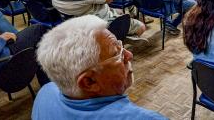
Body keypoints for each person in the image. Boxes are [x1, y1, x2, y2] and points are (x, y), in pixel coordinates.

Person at [32, 15, 167, 120]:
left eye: (121, 46)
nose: (129, 55)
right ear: (89, 82)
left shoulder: (44, 94)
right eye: (117, 53)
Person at [0, 10, 49, 86]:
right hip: (0, 61)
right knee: (39, 30)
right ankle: (47, 84)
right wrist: (1, 39)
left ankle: (20, 41)